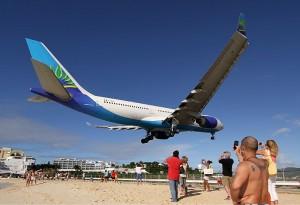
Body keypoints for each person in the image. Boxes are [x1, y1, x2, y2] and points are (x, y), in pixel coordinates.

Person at [231, 136, 269, 205]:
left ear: (242, 148)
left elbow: (235, 187)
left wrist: (235, 201)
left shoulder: (244, 165)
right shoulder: (265, 163)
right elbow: (251, 164)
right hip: (264, 202)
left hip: (250, 202)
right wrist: (239, 154)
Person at [257, 140, 279, 205]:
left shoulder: (265, 151)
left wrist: (257, 145)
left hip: (267, 172)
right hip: (274, 172)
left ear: (267, 145)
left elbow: (255, 152)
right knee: (273, 189)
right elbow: (266, 151)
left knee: (269, 190)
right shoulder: (274, 152)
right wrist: (262, 146)